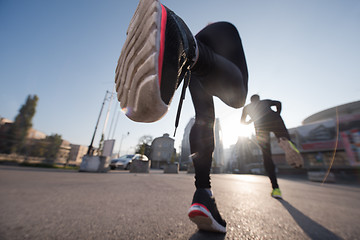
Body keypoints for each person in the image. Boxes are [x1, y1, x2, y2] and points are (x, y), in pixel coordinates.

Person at [115, 0, 248, 233]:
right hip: (222, 33)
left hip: (198, 44)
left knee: (204, 118)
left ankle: (203, 194)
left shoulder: (206, 33)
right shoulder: (221, 29)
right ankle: (187, 44)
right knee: (238, 98)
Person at [240, 94, 303, 199]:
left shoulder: (247, 107)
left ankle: (276, 189)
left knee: (267, 156)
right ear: (258, 99)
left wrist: (251, 120)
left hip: (260, 125)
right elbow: (278, 103)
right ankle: (288, 142)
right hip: (274, 118)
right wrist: (277, 114)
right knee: (284, 136)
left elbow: (242, 122)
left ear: (251, 101)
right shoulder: (265, 101)